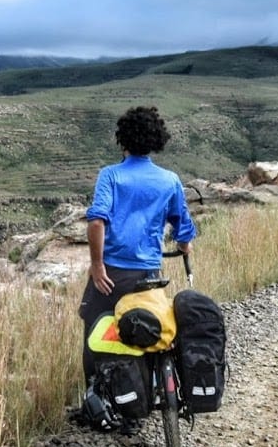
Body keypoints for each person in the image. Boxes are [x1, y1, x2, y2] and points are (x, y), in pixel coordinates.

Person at [79, 105, 196, 383]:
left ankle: (96, 399)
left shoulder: (111, 175)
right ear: (156, 141)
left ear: (123, 140)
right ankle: (142, 397)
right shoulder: (170, 180)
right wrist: (184, 247)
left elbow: (96, 222)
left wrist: (97, 266)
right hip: (149, 275)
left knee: (94, 330)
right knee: (145, 327)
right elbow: (184, 229)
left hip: (112, 275)